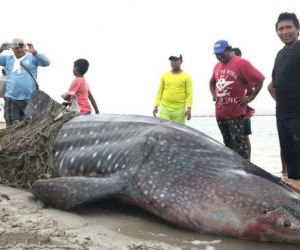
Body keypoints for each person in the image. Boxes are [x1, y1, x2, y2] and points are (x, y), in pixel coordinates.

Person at [209, 40, 265, 159]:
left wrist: (251, 97)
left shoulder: (241, 63)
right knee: (227, 145)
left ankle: (245, 172)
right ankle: (232, 173)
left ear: (229, 50)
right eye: (216, 54)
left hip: (235, 112)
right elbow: (211, 82)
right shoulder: (217, 66)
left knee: (239, 144)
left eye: (221, 53)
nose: (219, 57)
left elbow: (260, 80)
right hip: (220, 112)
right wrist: (214, 95)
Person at [267, 12, 300, 191]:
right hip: (283, 114)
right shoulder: (280, 55)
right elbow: (272, 86)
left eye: (288, 27)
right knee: (290, 156)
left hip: (298, 113)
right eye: (280, 29)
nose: (284, 31)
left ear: (298, 29)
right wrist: (282, 103)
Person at [0, 38, 50, 126]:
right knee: (12, 128)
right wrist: (0, 49)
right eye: (16, 47)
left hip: (29, 99)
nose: (19, 49)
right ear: (12, 49)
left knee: (29, 128)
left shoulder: (32, 58)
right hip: (11, 99)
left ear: (24, 46)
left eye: (21, 46)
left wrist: (35, 53)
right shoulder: (7, 59)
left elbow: (46, 63)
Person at [153, 54, 193, 124]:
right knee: (164, 130)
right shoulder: (164, 75)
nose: (173, 62)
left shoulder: (186, 77)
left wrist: (189, 109)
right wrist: (156, 106)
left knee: (178, 132)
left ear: (181, 61)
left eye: (176, 60)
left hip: (179, 110)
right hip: (165, 108)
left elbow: (189, 94)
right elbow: (160, 91)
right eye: (172, 60)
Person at [231, 47, 255, 160]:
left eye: (234, 56)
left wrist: (247, 99)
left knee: (245, 136)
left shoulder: (243, 70)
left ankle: (248, 161)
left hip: (242, 109)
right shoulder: (227, 70)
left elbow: (251, 89)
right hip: (229, 110)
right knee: (232, 137)